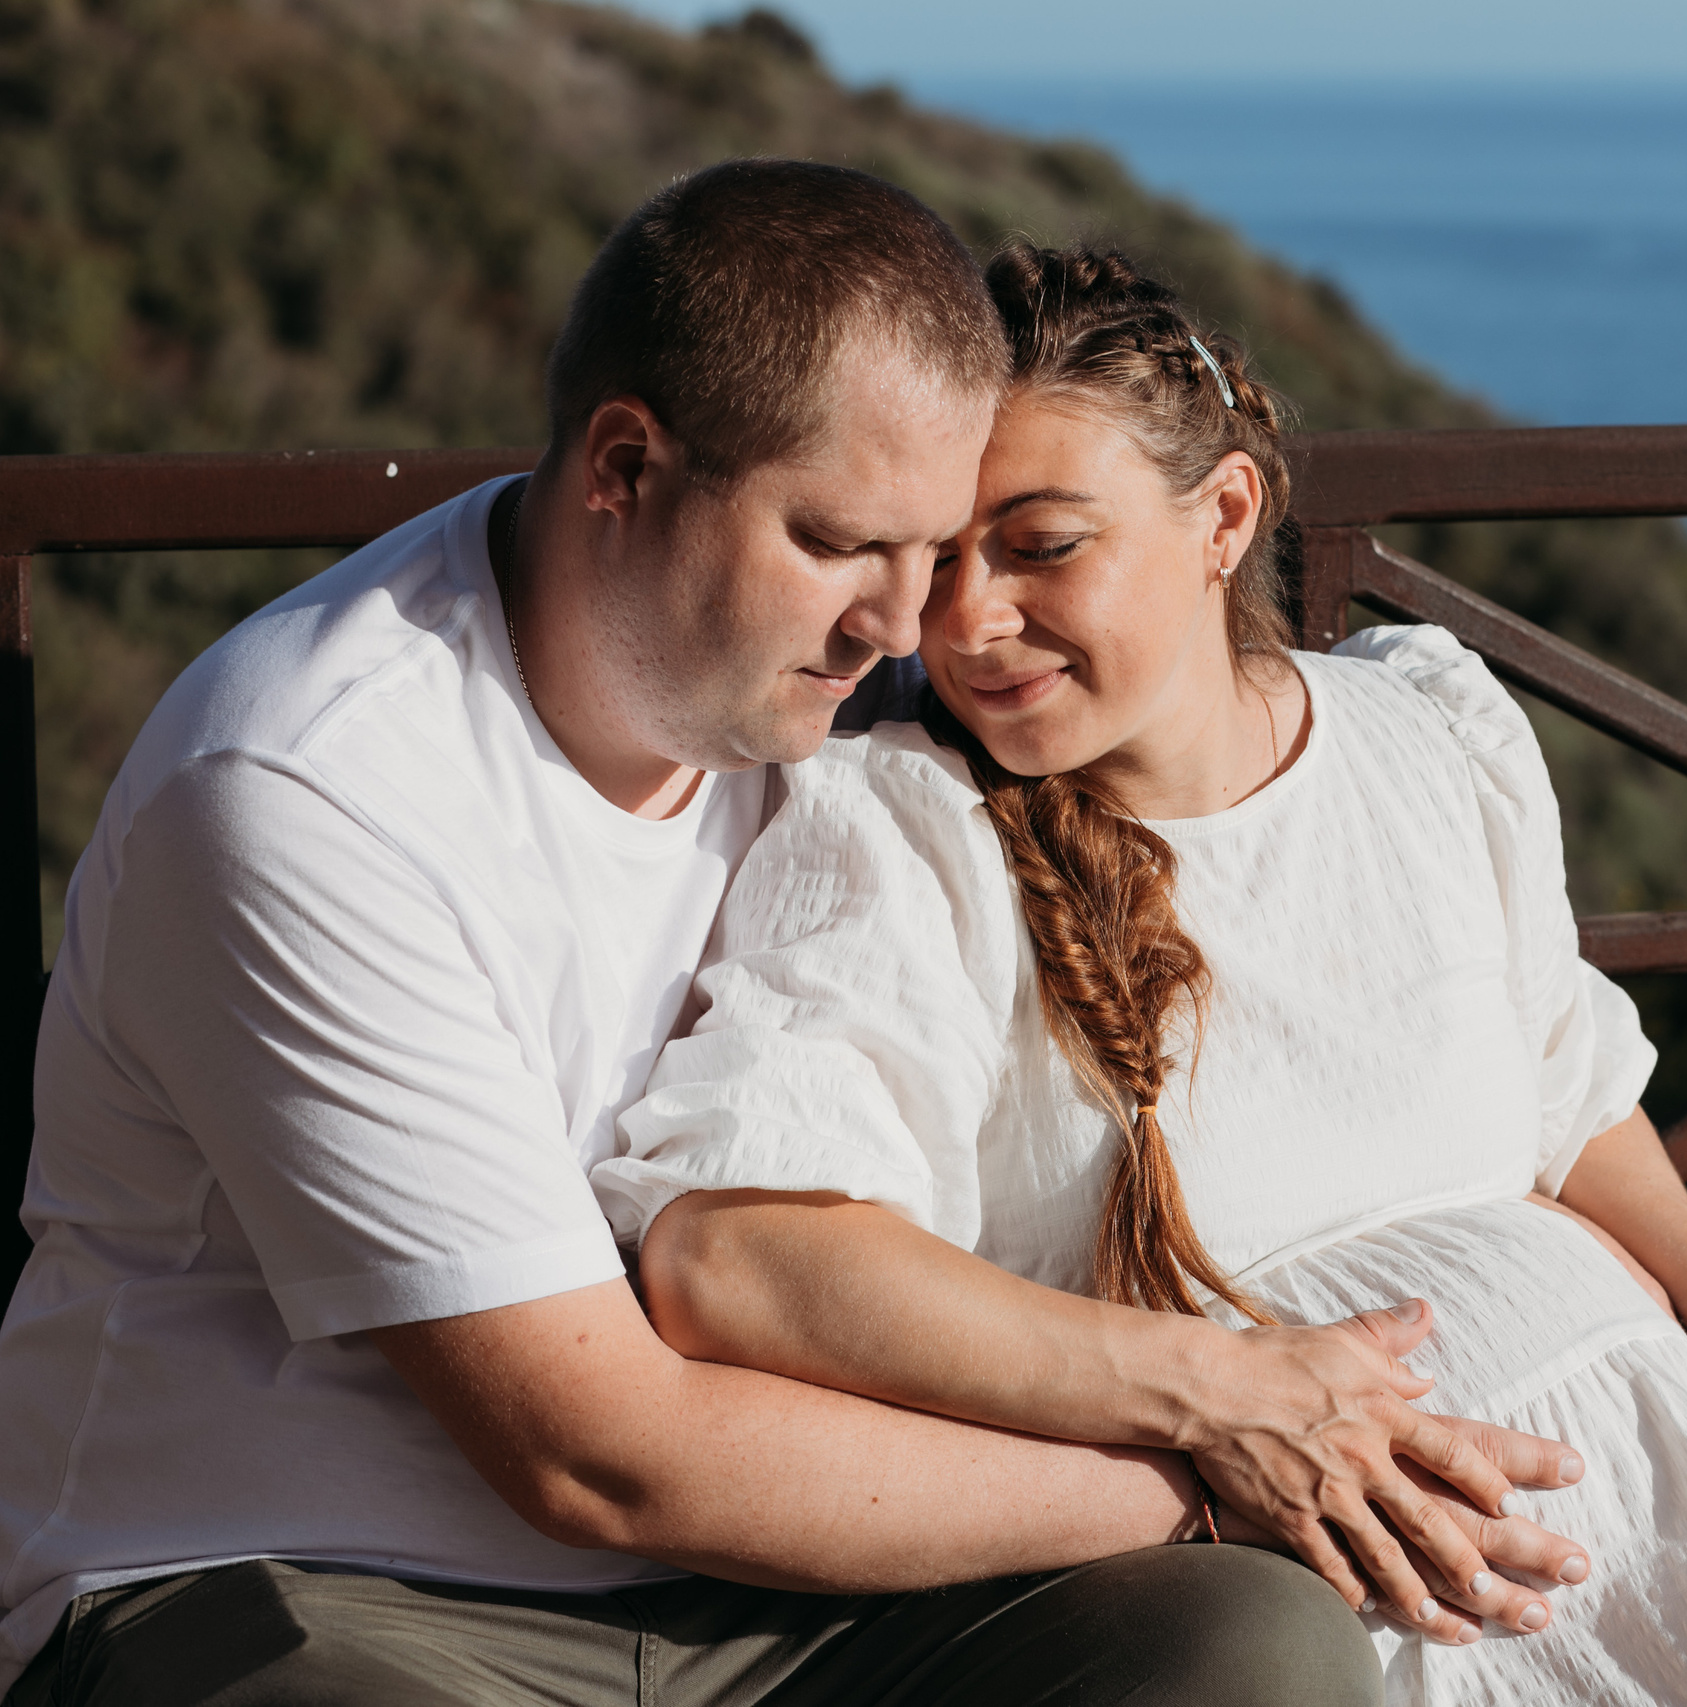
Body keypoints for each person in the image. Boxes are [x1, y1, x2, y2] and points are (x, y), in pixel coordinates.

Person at [0, 164, 1583, 1706]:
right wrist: (1210, 1453)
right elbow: (592, 1458)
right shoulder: (309, 791)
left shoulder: (865, 698)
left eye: (942, 546)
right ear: (624, 468)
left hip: (784, 1599)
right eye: (840, 544)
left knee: (1251, 1652)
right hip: (303, 1585)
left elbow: (1294, 860)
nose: (914, 627)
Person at [599, 244, 1687, 1705]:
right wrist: (1207, 1399)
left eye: (1045, 546)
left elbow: (1559, 1084)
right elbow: (739, 1256)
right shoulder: (908, 830)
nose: (970, 621)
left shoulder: (1428, 731)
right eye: (940, 557)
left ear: (1224, 517)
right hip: (1343, 1607)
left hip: (1678, 1537)